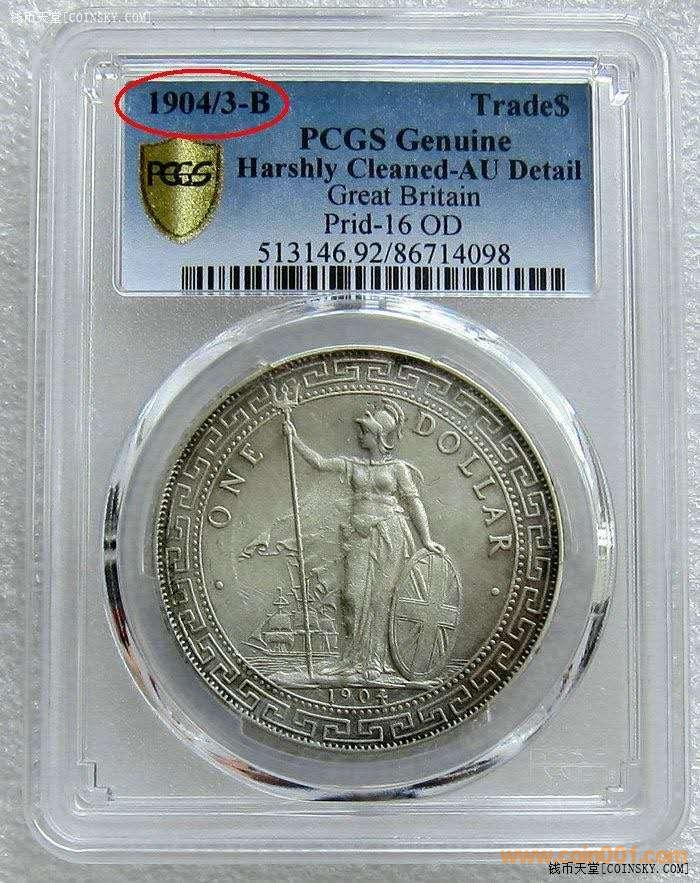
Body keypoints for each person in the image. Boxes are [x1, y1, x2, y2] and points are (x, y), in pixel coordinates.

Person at [284, 399, 443, 683]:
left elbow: (414, 503)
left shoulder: (398, 469)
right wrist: (294, 439)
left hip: (390, 532)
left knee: (381, 599)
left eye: (365, 431)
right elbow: (320, 463)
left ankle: (374, 661)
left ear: (379, 436)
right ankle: (350, 659)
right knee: (351, 596)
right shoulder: (352, 465)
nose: (360, 435)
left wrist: (427, 540)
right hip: (358, 535)